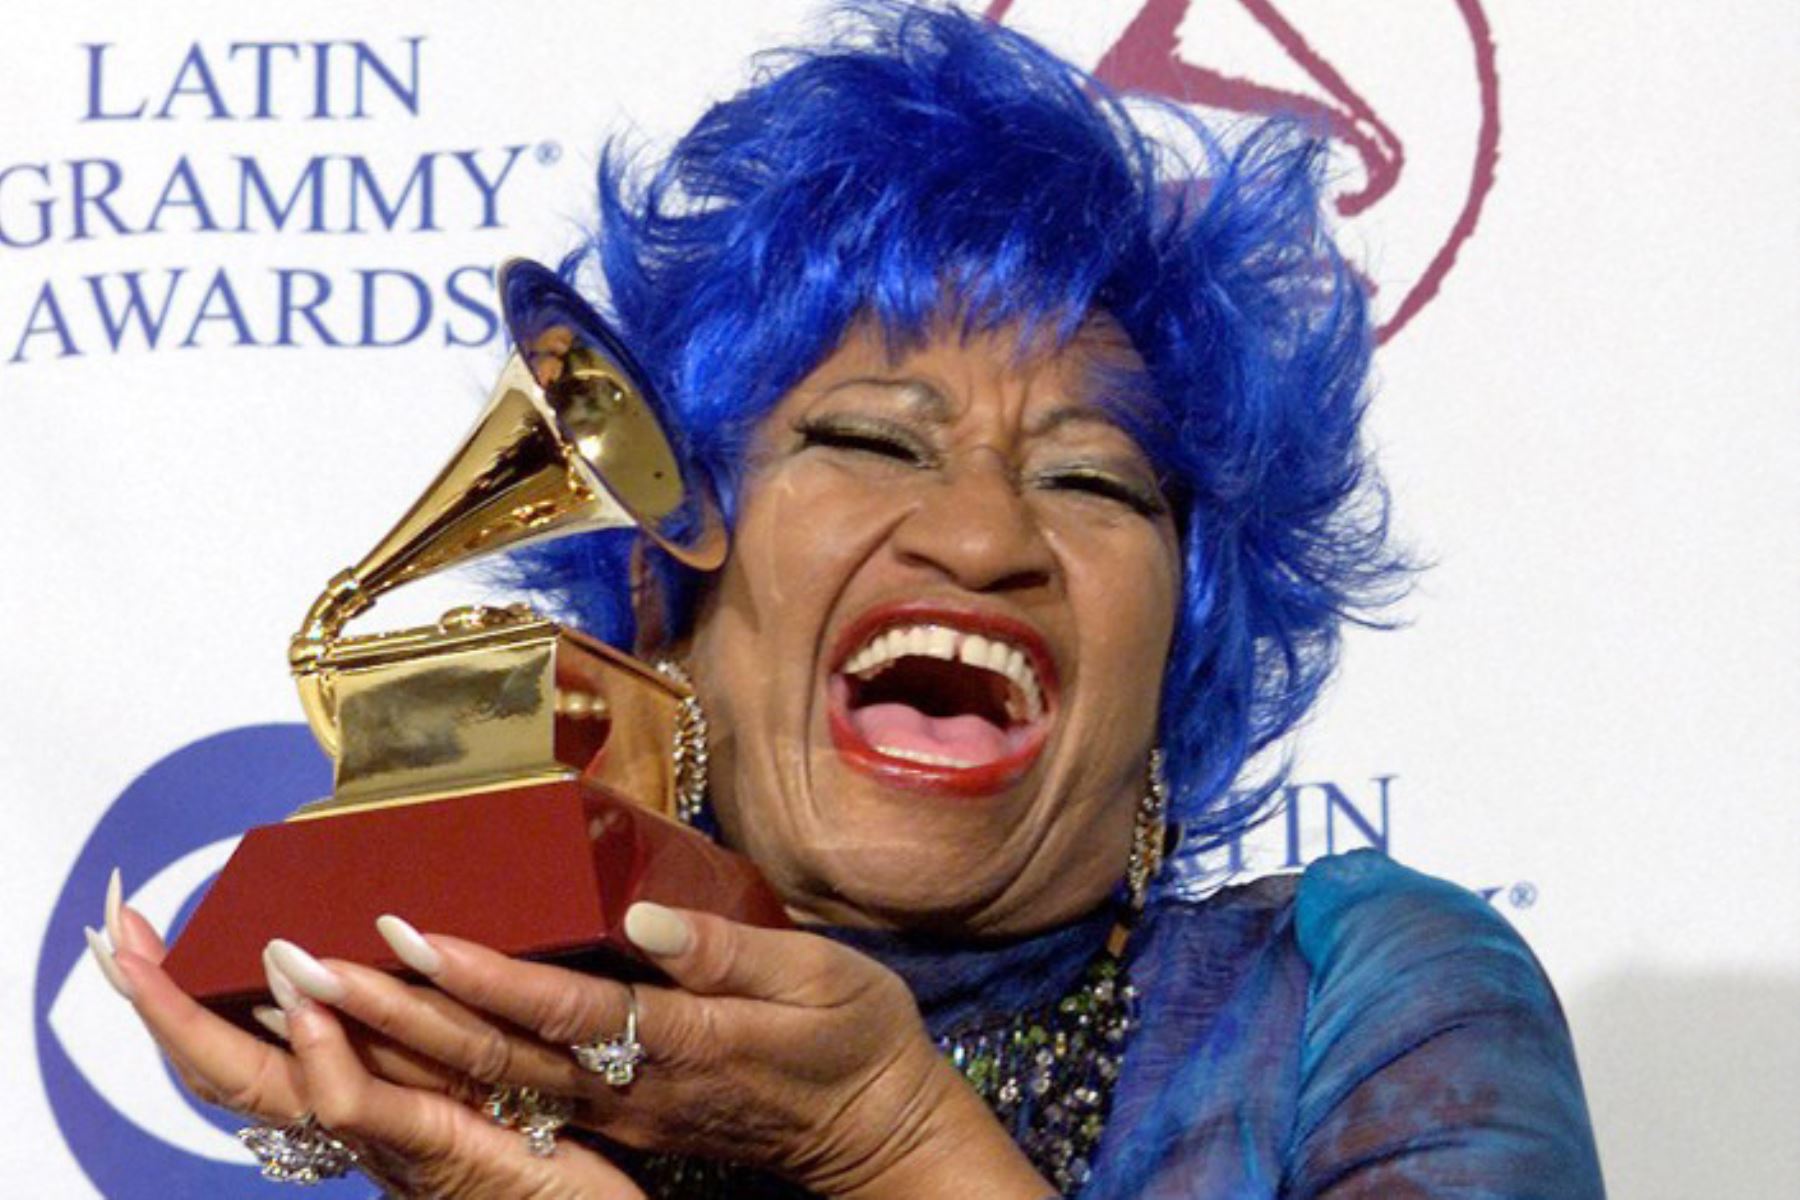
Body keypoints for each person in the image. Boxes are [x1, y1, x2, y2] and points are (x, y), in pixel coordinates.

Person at [86, 4, 1605, 1196]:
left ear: (1184, 640)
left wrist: (893, 1141)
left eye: (1090, 481)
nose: (979, 536)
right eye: (873, 440)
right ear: (664, 582)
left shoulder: (1370, 995)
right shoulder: (514, 1037)